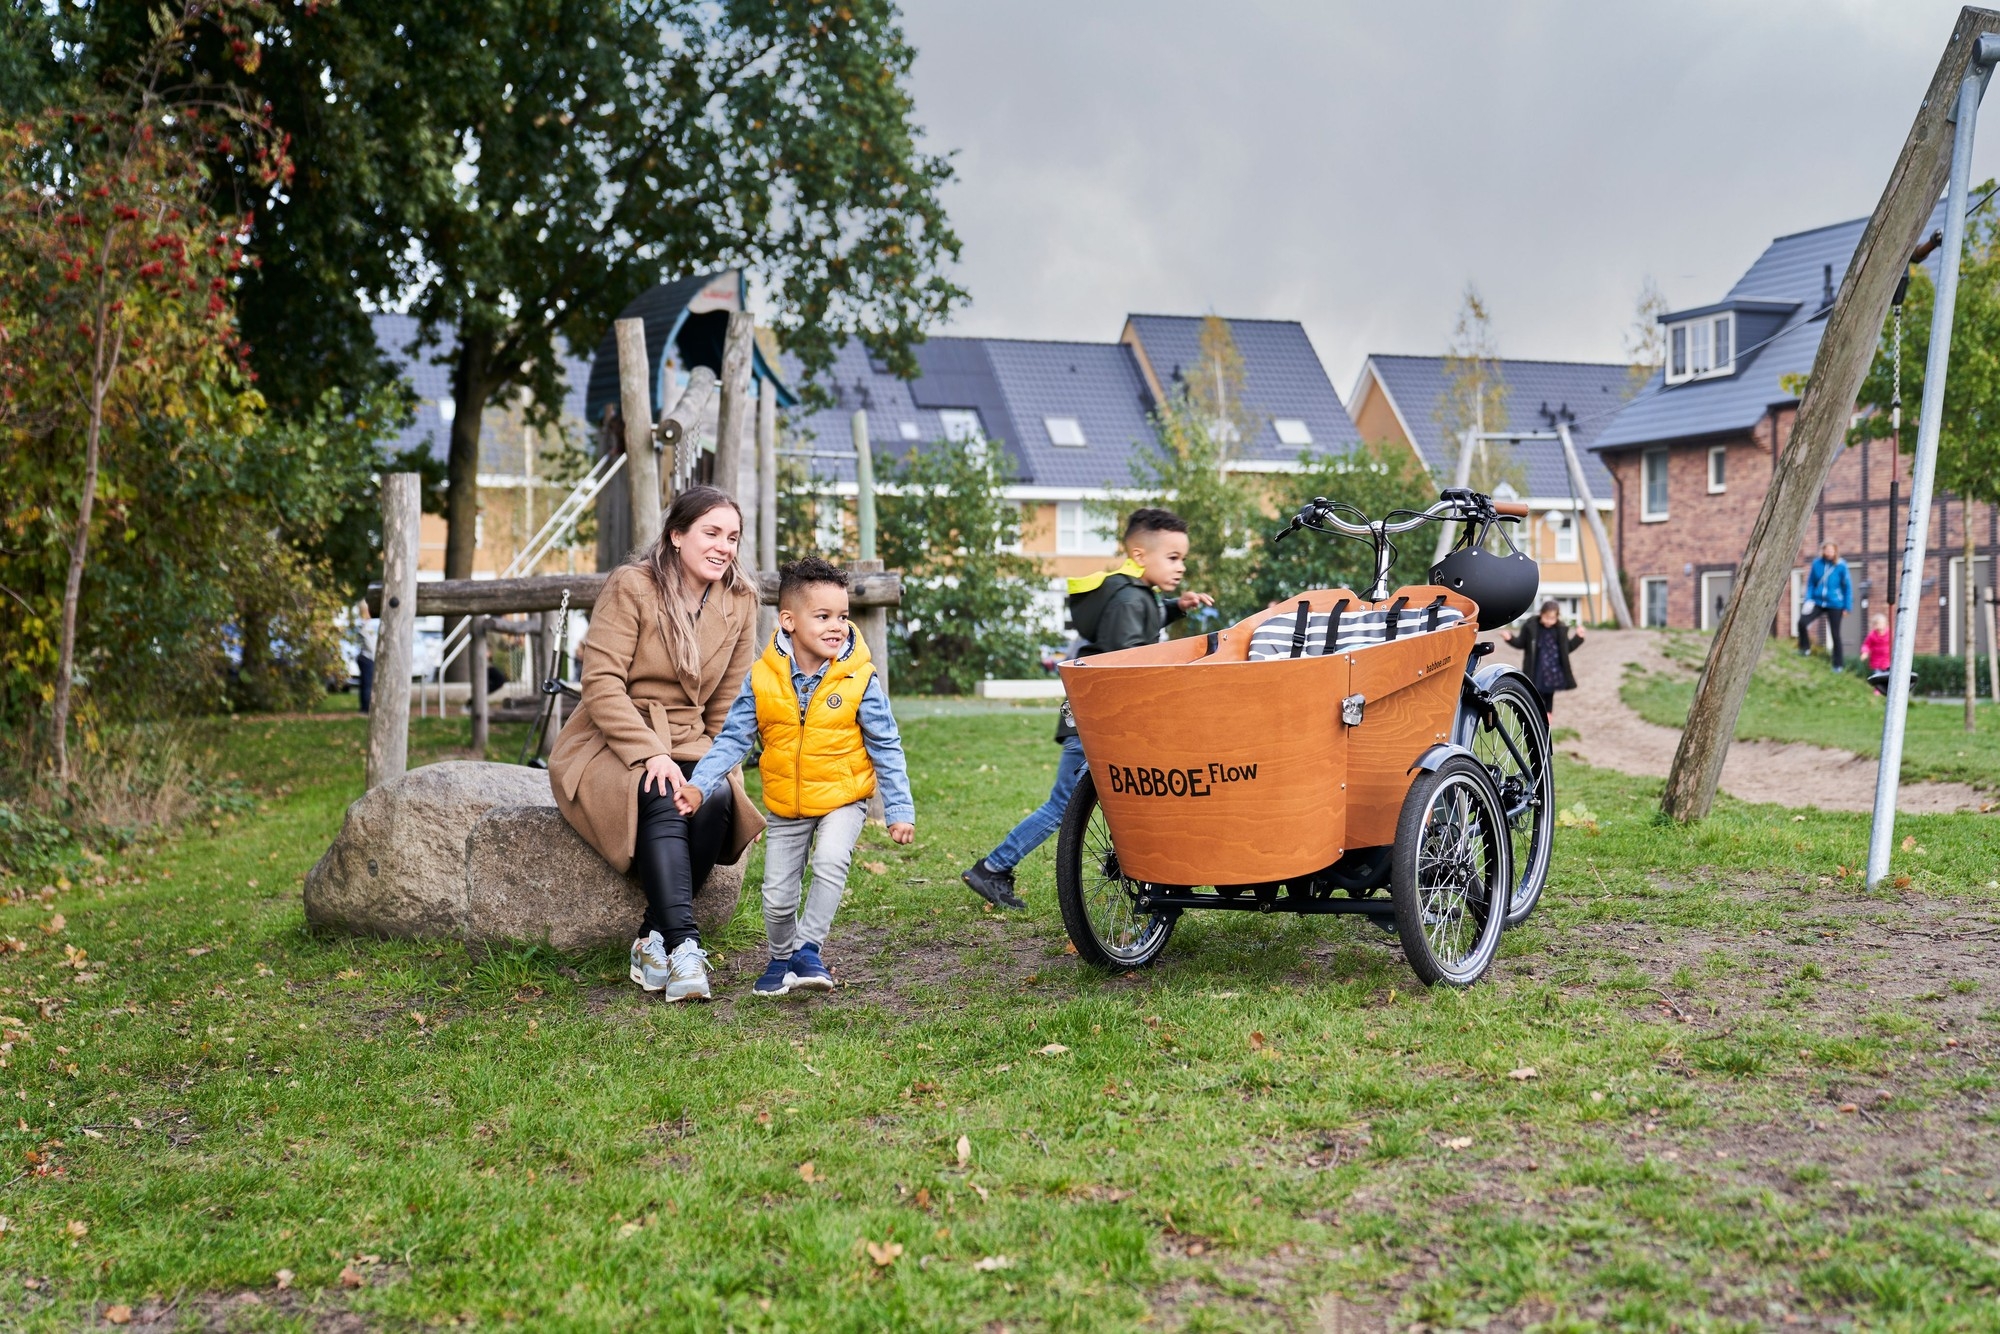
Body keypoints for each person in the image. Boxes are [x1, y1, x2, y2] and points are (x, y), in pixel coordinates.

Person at [548, 485, 765, 1004]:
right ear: (676, 536)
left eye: (732, 536)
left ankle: (652, 939)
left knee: (712, 797)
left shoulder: (740, 600)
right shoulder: (633, 586)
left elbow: (728, 705)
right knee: (664, 789)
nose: (724, 546)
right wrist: (651, 752)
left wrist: (718, 764)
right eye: (711, 533)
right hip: (612, 739)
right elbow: (600, 684)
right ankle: (686, 945)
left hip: (693, 738)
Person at [680, 557, 914, 996]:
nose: (837, 626)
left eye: (842, 616)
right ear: (788, 621)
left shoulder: (859, 678)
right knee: (777, 896)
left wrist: (899, 809)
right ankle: (781, 957)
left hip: (844, 797)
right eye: (822, 616)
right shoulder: (761, 678)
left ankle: (809, 950)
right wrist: (699, 785)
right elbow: (732, 740)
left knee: (829, 862)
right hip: (787, 805)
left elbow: (886, 743)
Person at [961, 508, 1213, 910]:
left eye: (1183, 558)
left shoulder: (1130, 593)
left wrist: (1175, 608)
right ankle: (994, 867)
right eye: (1173, 557)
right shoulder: (1130, 599)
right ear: (1140, 554)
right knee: (1066, 803)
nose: (1181, 566)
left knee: (1127, 791)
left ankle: (1129, 861)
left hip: (1093, 717)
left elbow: (1139, 626)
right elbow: (1127, 657)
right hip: (1097, 721)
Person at [1505, 600, 1585, 722]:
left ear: (1557, 617)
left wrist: (1578, 637)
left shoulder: (1560, 630)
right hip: (1536, 668)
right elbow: (1521, 643)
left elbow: (1567, 648)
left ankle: (1548, 716)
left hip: (1553, 669)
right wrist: (1510, 638)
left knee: (1549, 693)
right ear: (1541, 614)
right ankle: (1537, 717)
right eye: (1546, 617)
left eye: (1552, 618)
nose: (1549, 621)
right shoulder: (1531, 626)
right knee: (1536, 692)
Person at [1797, 541, 1853, 671]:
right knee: (1802, 622)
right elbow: (1811, 583)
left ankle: (1838, 665)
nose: (1828, 553)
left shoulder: (1841, 566)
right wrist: (1808, 599)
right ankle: (1805, 649)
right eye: (1826, 550)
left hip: (1835, 604)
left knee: (1835, 634)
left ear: (1835, 551)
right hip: (1818, 601)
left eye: (1831, 550)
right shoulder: (1816, 564)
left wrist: (1847, 606)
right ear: (1822, 551)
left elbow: (1847, 587)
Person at [1862, 611, 1892, 691]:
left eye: (1881, 624)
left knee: (1889, 675)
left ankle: (1887, 689)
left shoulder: (1889, 634)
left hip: (1887, 660)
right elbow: (1866, 645)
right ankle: (1878, 690)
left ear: (1885, 624)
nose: (1880, 626)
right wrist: (1865, 652)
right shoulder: (1872, 635)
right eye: (1877, 624)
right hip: (1876, 661)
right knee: (1878, 676)